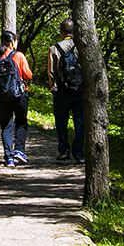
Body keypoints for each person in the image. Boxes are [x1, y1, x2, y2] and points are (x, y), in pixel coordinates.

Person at [0, 30, 32, 166]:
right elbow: (28, 75)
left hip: (1, 97)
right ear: (12, 42)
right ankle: (19, 151)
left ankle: (9, 158)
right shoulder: (18, 56)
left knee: (6, 126)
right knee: (21, 123)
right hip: (19, 95)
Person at [46, 18, 85, 162]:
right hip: (79, 91)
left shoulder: (54, 48)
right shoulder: (81, 47)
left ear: (62, 32)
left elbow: (51, 72)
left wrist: (53, 87)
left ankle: (64, 150)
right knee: (80, 122)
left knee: (61, 122)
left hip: (62, 92)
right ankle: (79, 152)